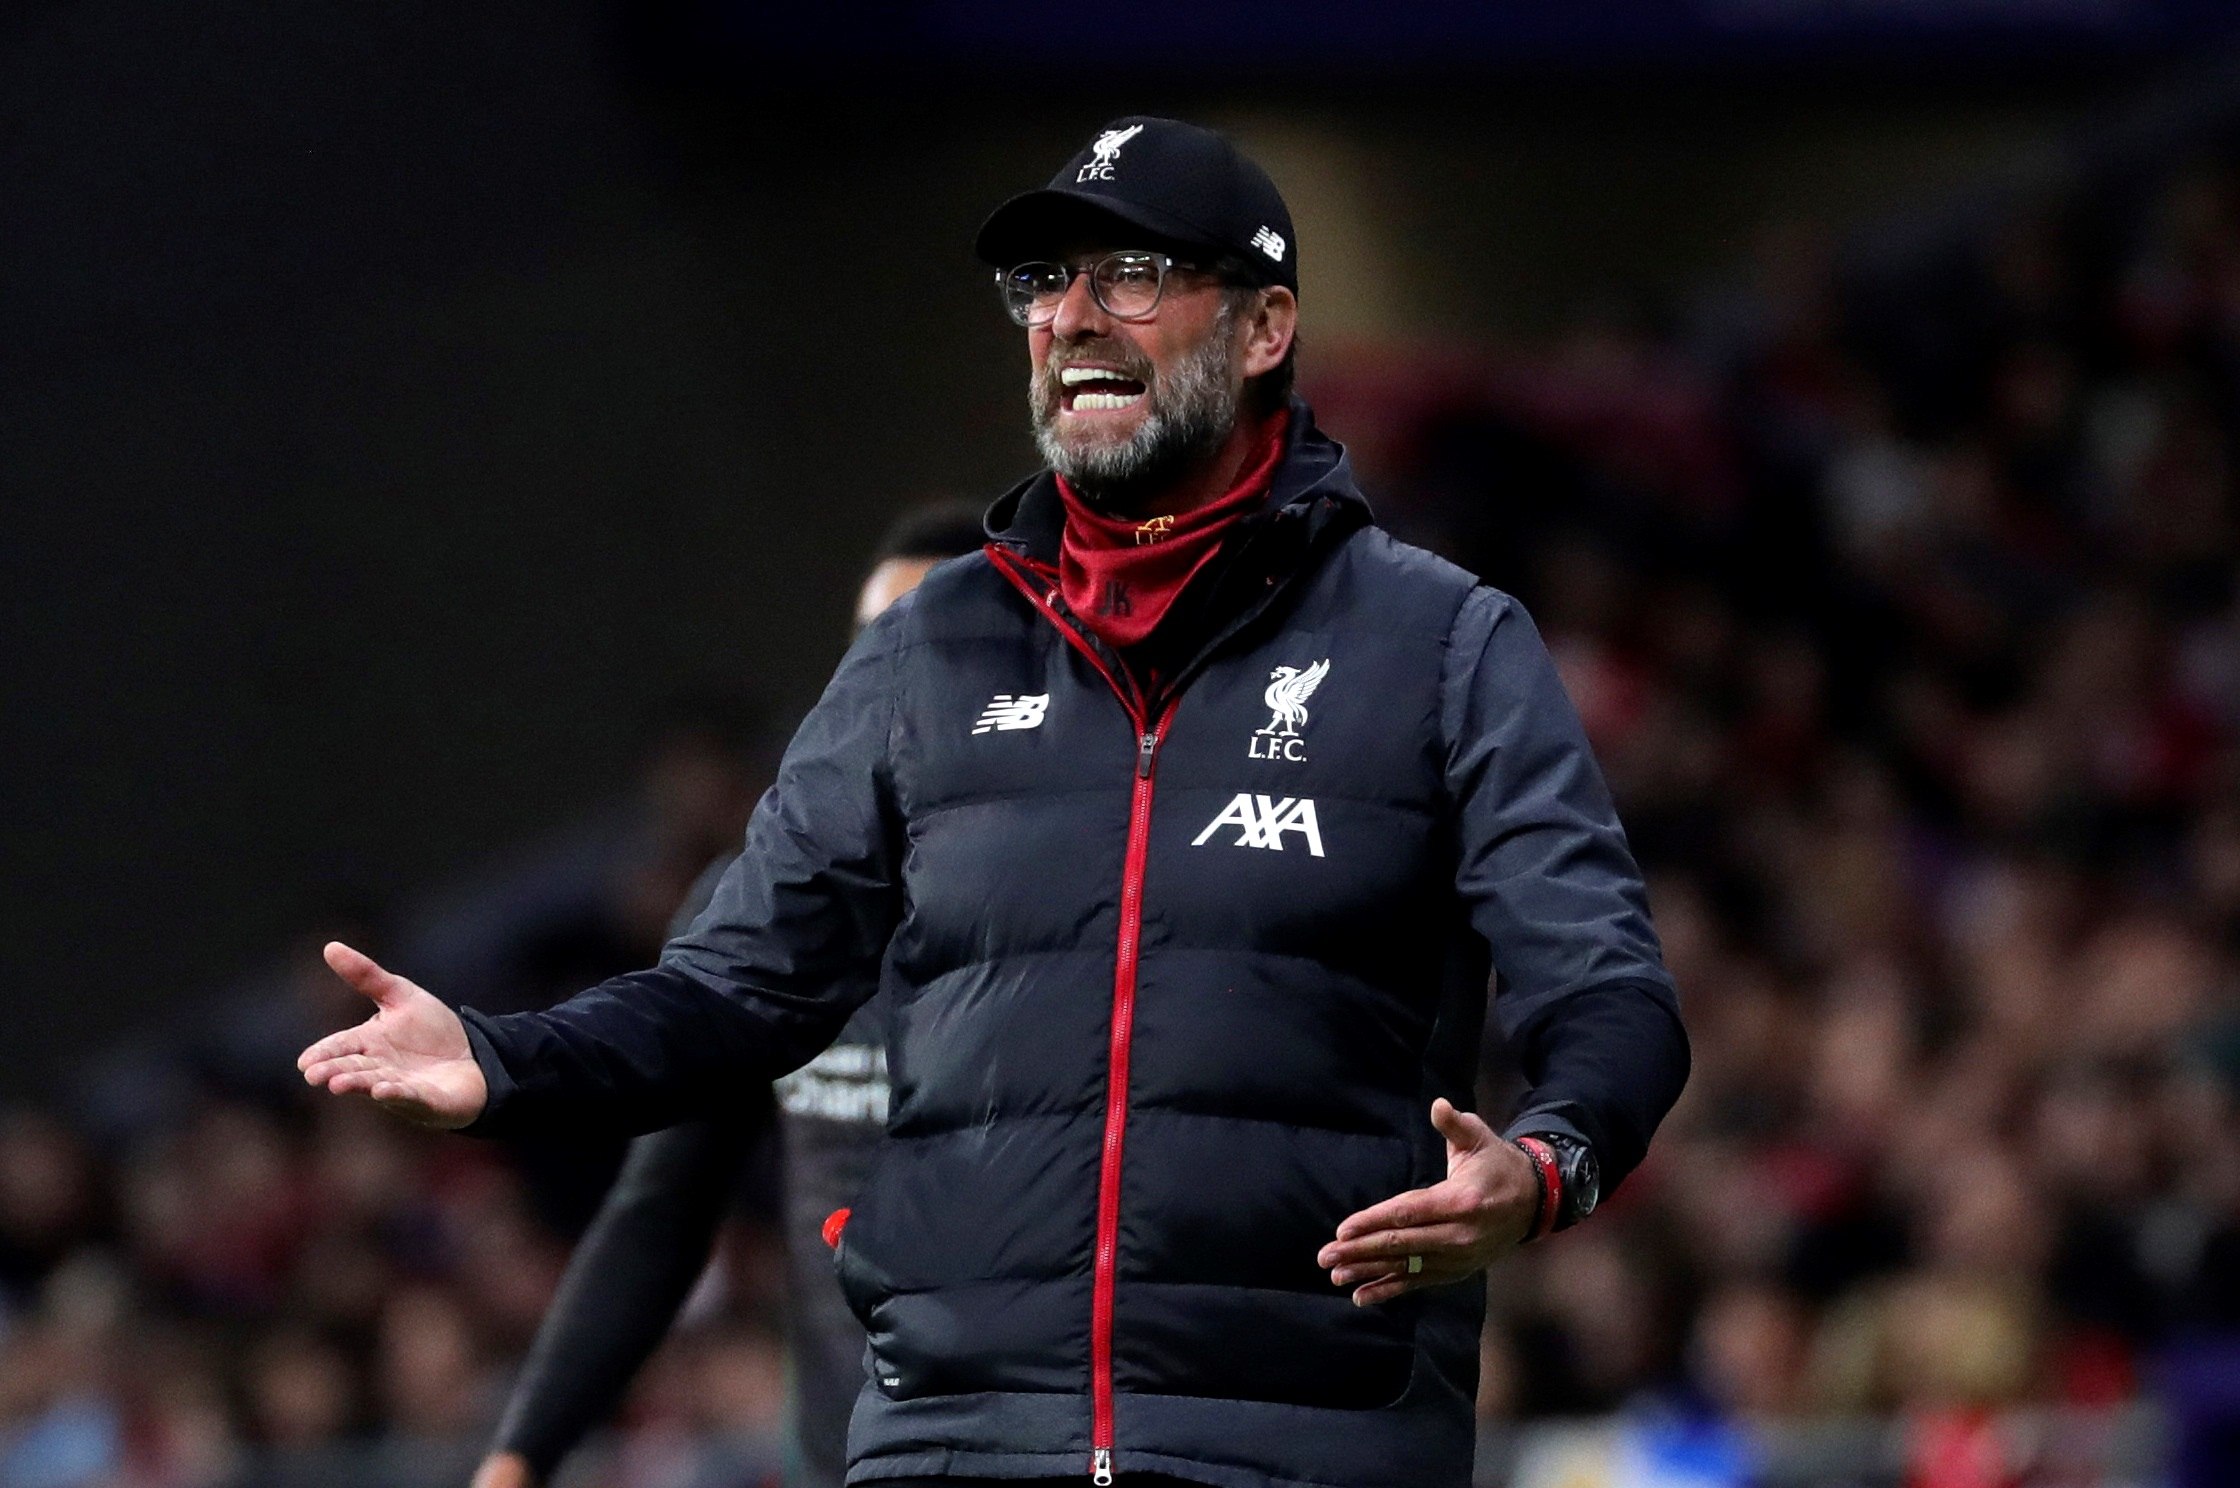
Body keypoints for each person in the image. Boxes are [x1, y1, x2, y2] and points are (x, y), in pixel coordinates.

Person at [301, 116, 1690, 1488]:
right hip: (952, 1445)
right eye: (1044, 284)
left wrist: (1547, 1165)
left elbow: (1611, 992)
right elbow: (736, 989)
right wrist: (503, 1058)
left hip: (1298, 1444)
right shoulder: (924, 651)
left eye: (1131, 279)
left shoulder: (1442, 645)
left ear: (1266, 327)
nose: (1073, 320)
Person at [470, 503, 990, 1488]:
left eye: (940, 650)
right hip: (846, 1466)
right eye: (873, 652)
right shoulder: (769, 913)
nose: (899, 684)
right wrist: (519, 1455)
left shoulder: (1098, 907)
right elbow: (663, 1208)